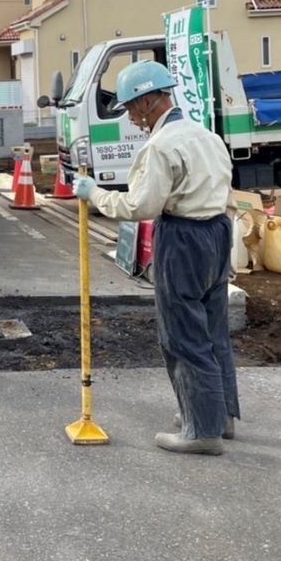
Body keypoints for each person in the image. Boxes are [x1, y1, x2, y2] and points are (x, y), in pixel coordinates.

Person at [73, 61, 238, 456]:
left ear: (150, 101)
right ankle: (218, 415)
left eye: (132, 107)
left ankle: (202, 432)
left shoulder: (161, 146)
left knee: (183, 335)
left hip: (183, 237)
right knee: (213, 330)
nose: (131, 117)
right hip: (217, 231)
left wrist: (93, 194)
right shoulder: (205, 135)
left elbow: (141, 205)